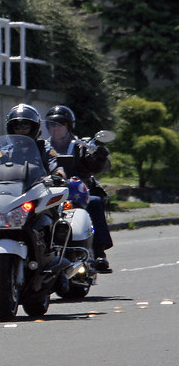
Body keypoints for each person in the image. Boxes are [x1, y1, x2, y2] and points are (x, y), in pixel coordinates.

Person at [44, 105, 113, 273]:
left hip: (78, 193)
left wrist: (100, 155)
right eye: (52, 125)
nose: (56, 128)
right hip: (49, 192)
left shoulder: (80, 145)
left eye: (60, 124)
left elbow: (98, 166)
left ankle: (98, 253)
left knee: (95, 202)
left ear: (68, 126)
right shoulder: (43, 147)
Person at [5, 104, 63, 178]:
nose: (21, 130)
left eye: (25, 127)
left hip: (39, 188)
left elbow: (58, 168)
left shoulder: (45, 150)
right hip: (10, 188)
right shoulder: (6, 151)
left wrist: (58, 175)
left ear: (34, 128)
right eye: (17, 127)